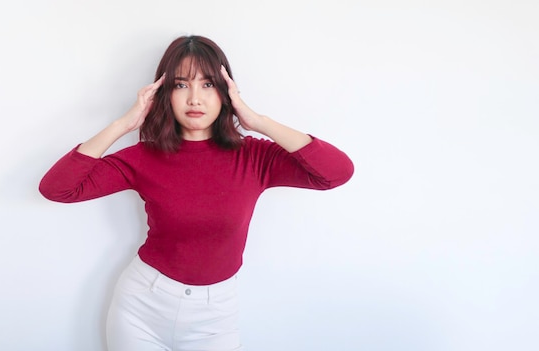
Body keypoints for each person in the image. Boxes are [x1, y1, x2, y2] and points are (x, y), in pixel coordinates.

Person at [39, 35, 354, 351]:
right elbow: (58, 189)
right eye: (180, 85)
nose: (194, 99)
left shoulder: (255, 157)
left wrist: (259, 121)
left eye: (207, 85)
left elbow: (336, 173)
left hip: (215, 318)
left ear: (226, 92)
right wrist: (124, 123)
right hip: (142, 308)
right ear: (164, 94)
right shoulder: (143, 156)